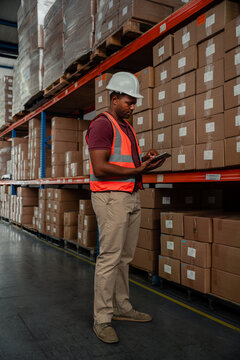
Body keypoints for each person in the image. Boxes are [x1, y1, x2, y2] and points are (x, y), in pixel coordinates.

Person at [86, 72, 165, 344]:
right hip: (110, 198)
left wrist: (145, 160)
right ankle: (102, 318)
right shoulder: (101, 124)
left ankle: (122, 307)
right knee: (109, 258)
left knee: (124, 257)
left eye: (134, 103)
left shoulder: (127, 126)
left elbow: (123, 162)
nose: (133, 107)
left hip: (129, 195)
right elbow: (100, 167)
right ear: (114, 98)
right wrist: (137, 169)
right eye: (128, 102)